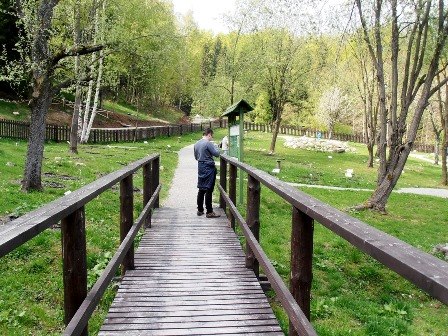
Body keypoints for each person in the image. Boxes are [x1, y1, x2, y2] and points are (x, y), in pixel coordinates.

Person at [194, 128, 221, 218]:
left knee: (201, 188)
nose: (211, 138)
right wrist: (217, 146)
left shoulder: (197, 143)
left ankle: (200, 210)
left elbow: (196, 156)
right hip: (209, 167)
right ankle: (209, 212)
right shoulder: (208, 143)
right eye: (211, 136)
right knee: (209, 189)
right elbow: (217, 154)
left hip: (200, 167)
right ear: (209, 134)